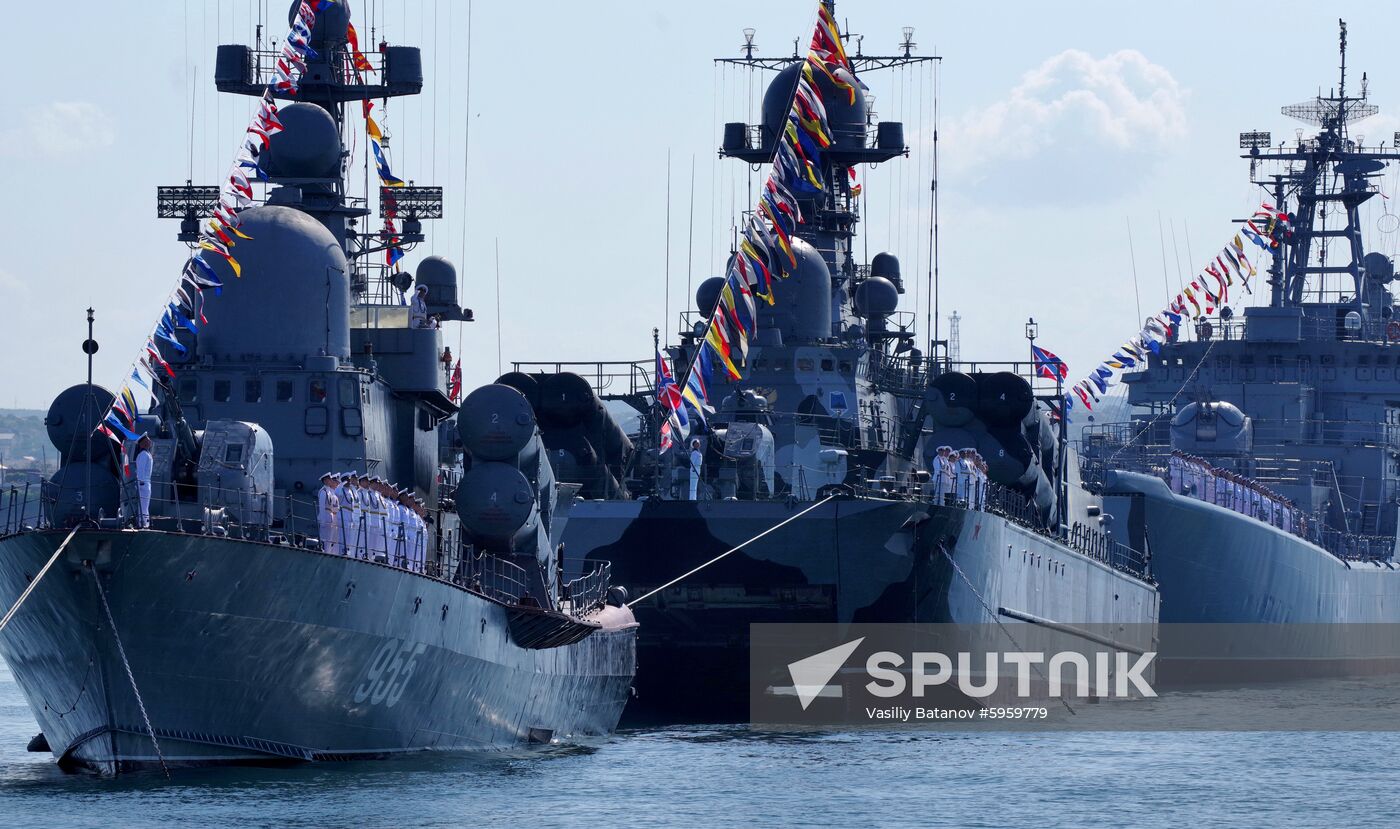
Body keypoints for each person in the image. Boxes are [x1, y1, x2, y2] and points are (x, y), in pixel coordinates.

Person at [317, 472, 341, 555]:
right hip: (326, 518)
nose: (331, 480)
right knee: (325, 539)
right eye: (330, 479)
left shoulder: (329, 492)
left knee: (330, 540)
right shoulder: (323, 492)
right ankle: (326, 553)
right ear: (325, 481)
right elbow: (322, 507)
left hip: (330, 518)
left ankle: (330, 553)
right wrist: (323, 522)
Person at [133, 435, 154, 528]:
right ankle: (143, 523)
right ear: (143, 443)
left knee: (144, 504)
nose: (150, 441)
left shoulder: (146, 454)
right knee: (143, 504)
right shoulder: (144, 455)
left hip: (145, 483)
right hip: (143, 483)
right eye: (148, 440)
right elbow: (140, 470)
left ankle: (144, 523)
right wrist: (140, 482)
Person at [335, 473, 358, 556]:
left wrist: (353, 487)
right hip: (343, 514)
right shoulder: (341, 490)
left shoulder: (351, 491)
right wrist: (341, 484)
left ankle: (347, 551)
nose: (349, 482)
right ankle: (342, 551)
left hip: (350, 515)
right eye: (347, 480)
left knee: (349, 537)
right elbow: (336, 493)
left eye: (349, 480)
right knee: (342, 536)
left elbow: (357, 499)